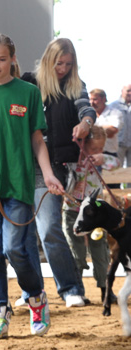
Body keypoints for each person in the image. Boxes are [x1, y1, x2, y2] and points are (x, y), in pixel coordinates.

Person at [0, 33, 63, 339]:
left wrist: (49, 174)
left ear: (12, 59)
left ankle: (35, 298)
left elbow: (37, 140)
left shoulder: (28, 93)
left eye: (2, 59)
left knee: (14, 248)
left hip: (18, 184)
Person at [18, 38, 96, 309]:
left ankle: (71, 288)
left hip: (56, 166)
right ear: (48, 59)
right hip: (22, 165)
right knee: (22, 232)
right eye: (58, 62)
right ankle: (31, 291)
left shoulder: (76, 86)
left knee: (49, 227)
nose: (63, 68)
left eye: (68, 64)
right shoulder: (28, 82)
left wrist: (86, 122)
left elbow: (86, 108)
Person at [61, 124, 117, 303]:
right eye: (94, 148)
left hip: (96, 215)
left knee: (100, 250)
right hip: (72, 210)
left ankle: (105, 289)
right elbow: (62, 180)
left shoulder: (99, 159)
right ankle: (77, 291)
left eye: (101, 148)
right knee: (75, 250)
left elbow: (115, 163)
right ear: (83, 144)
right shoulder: (70, 159)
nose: (97, 151)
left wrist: (102, 157)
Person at [87, 89, 122, 158]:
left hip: (109, 154)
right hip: (91, 154)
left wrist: (91, 130)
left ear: (104, 99)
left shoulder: (115, 113)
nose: (92, 102)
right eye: (90, 99)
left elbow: (113, 131)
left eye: (95, 99)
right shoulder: (88, 115)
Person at [114, 84, 131, 170]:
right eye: (128, 90)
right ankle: (116, 184)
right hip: (119, 144)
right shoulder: (114, 106)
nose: (130, 93)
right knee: (117, 169)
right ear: (122, 91)